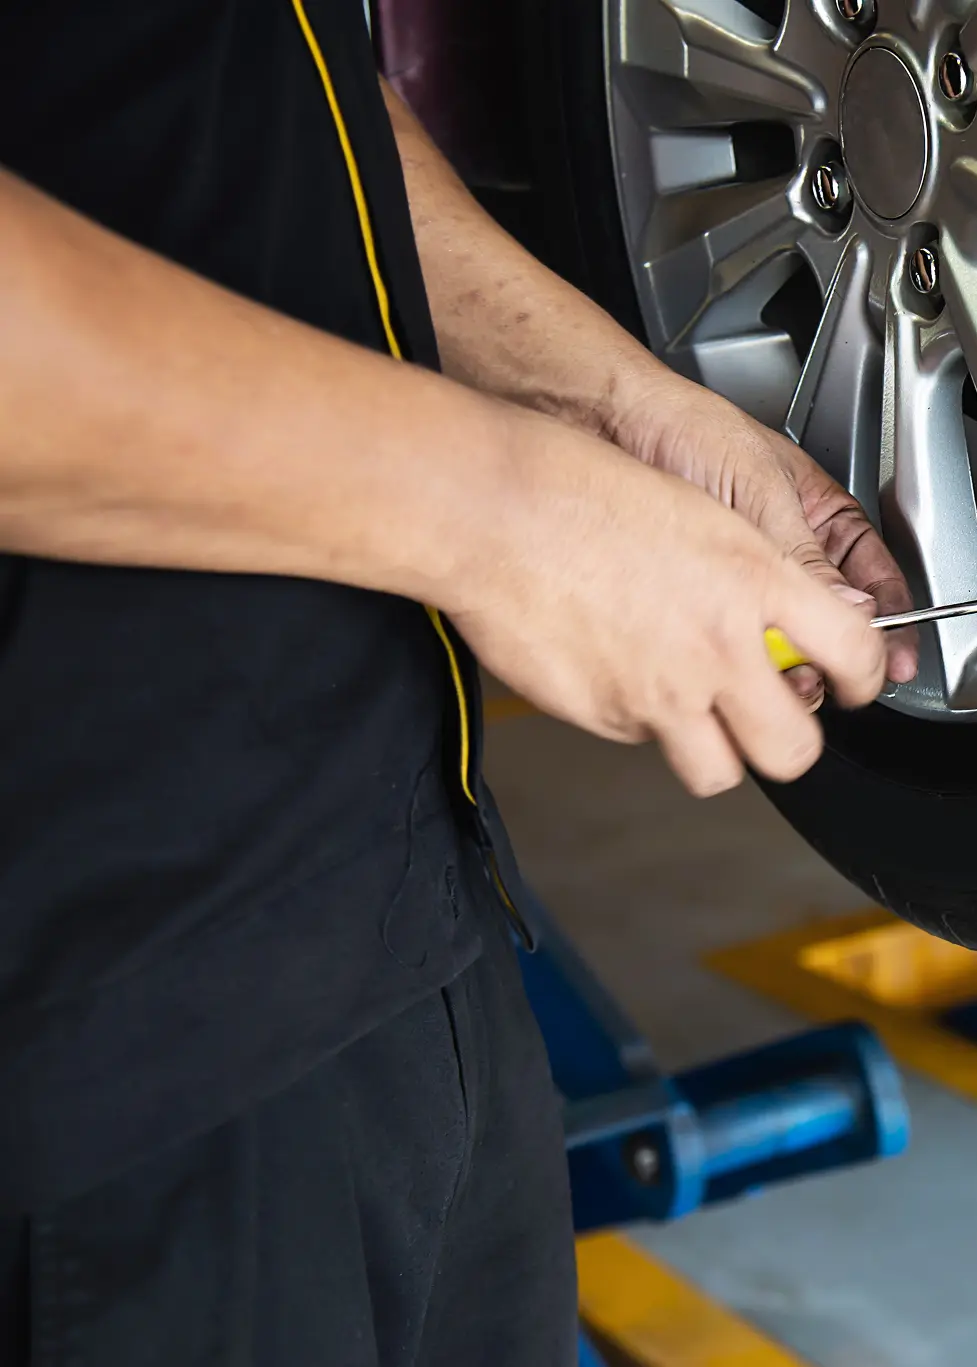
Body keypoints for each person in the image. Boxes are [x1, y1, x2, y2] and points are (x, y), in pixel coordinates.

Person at [0, 0, 920, 1361]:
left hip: (399, 928)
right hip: (95, 1057)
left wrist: (608, 406)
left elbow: (256, 89)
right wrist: (502, 517)